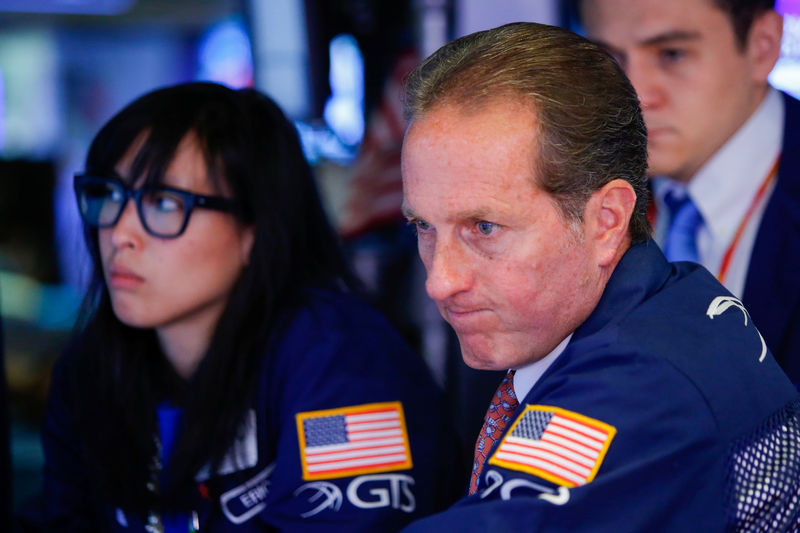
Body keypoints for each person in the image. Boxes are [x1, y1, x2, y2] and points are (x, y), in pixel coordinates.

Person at [398, 22, 800, 531]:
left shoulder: (641, 390)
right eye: (423, 226)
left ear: (606, 220)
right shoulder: (672, 298)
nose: (440, 280)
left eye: (484, 227)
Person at [20, 82, 459, 531]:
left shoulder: (345, 363)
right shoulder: (91, 369)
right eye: (109, 196)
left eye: (165, 203)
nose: (120, 233)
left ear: (255, 228)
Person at [577, 0, 800, 383]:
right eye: (609, 59)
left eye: (672, 54)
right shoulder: (568, 184)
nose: (633, 95)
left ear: (763, 46)